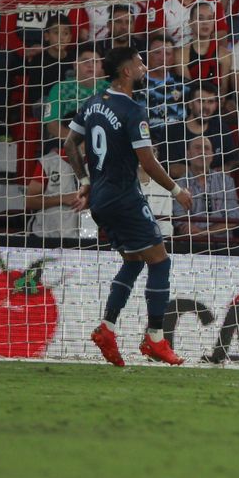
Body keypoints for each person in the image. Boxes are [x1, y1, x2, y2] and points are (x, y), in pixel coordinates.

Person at [64, 45, 196, 368]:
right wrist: (177, 190)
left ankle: (107, 328)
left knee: (135, 261)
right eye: (138, 62)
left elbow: (69, 144)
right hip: (124, 197)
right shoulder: (133, 111)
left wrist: (84, 181)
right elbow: (147, 163)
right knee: (160, 262)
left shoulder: (93, 103)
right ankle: (154, 339)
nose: (142, 65)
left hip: (100, 200)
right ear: (126, 72)